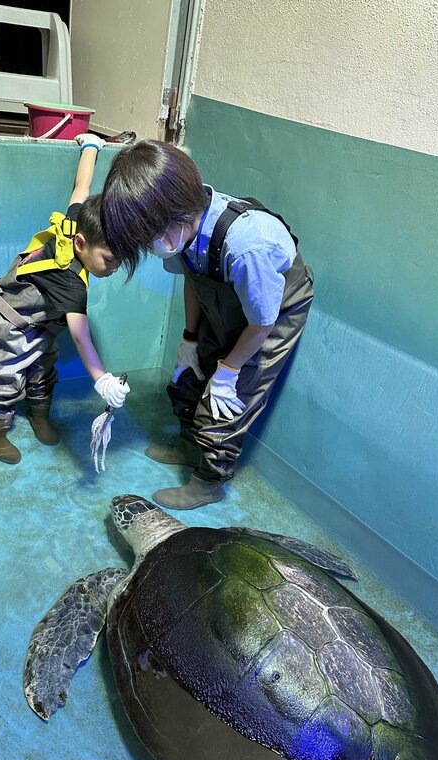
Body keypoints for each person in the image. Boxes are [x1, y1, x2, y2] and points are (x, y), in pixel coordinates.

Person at [101, 140, 314, 510]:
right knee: (188, 380)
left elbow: (262, 321)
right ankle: (188, 447)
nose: (146, 247)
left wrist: (230, 370)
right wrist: (189, 338)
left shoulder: (247, 245)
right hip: (226, 297)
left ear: (174, 217)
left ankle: (209, 482)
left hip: (271, 311)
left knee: (224, 404)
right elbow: (193, 281)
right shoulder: (180, 231)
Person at [0, 134, 129, 464]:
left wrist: (91, 147)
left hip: (40, 324)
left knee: (43, 370)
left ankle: (39, 415)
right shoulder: (71, 281)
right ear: (81, 244)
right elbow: (80, 335)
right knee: (4, 377)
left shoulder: (77, 223)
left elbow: (81, 189)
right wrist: (101, 380)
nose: (113, 268)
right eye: (110, 259)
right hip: (7, 324)